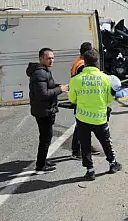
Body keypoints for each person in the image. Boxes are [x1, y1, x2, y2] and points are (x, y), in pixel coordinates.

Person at [68, 49, 122, 181]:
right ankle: (112, 163)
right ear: (97, 62)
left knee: (85, 145)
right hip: (100, 117)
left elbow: (72, 99)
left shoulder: (76, 80)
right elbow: (109, 99)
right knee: (106, 142)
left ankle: (90, 170)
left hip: (82, 118)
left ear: (84, 63)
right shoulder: (105, 78)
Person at [26, 48, 67, 173]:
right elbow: (43, 94)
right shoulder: (40, 73)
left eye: (52, 58)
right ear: (41, 59)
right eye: (48, 58)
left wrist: (59, 86)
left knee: (46, 137)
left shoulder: (44, 71)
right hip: (43, 111)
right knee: (45, 138)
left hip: (45, 110)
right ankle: (41, 166)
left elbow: (48, 86)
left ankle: (43, 160)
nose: (51, 60)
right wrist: (60, 90)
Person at [70, 42, 100, 159]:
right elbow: (84, 82)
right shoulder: (82, 65)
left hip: (79, 98)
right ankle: (76, 151)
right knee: (80, 126)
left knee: (83, 125)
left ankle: (82, 147)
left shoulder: (77, 61)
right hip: (82, 100)